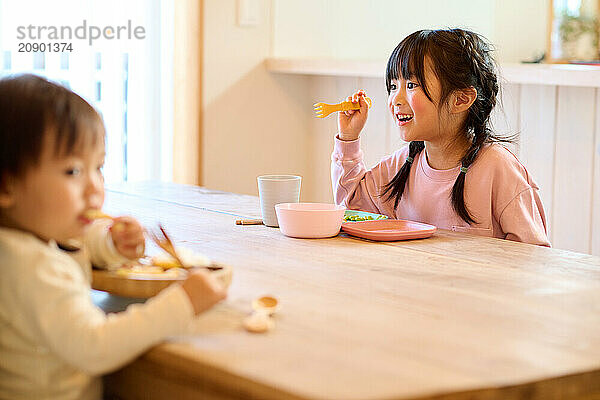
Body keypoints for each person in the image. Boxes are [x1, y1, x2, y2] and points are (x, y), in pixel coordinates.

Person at [0, 74, 227, 399]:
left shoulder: (26, 236)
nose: (95, 186)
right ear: (7, 186)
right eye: (73, 171)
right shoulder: (31, 267)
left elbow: (76, 244)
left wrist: (112, 244)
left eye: (99, 168)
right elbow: (94, 345)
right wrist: (182, 304)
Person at [331, 28, 550, 246]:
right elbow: (351, 208)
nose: (395, 99)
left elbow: (532, 255)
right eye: (393, 86)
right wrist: (348, 138)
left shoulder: (497, 167)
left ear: (461, 100)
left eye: (411, 85)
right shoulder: (402, 164)